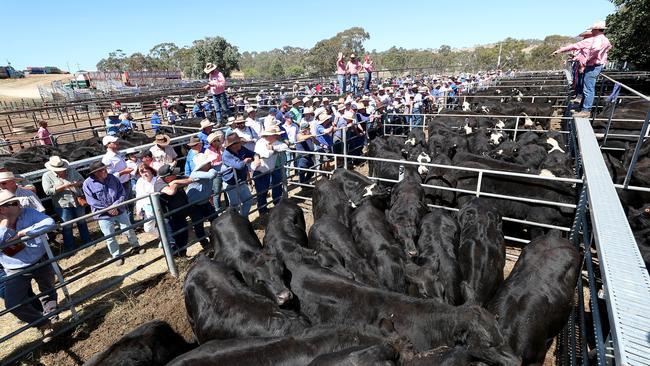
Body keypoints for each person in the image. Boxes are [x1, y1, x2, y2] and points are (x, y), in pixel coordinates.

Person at [0, 191, 58, 341]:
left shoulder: (28, 213)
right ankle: (43, 323)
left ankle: (52, 316)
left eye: (17, 202)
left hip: (39, 259)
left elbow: (49, 222)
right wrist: (4, 226)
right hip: (14, 268)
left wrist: (23, 233)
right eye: (13, 203)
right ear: (2, 209)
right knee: (13, 303)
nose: (19, 204)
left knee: (48, 289)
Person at [82, 161, 143, 265]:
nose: (105, 171)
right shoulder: (87, 184)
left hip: (119, 209)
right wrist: (108, 209)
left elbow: (121, 192)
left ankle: (136, 246)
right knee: (109, 236)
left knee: (128, 229)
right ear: (95, 173)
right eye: (102, 170)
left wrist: (115, 205)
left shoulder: (112, 178)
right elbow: (91, 201)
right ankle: (116, 255)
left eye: (105, 168)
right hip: (103, 215)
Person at [553, 20, 611, 117]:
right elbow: (607, 49)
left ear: (596, 30)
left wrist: (591, 58)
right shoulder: (606, 40)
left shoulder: (593, 40)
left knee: (588, 88)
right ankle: (583, 108)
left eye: (593, 29)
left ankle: (586, 110)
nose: (592, 31)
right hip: (598, 66)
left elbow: (575, 46)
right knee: (588, 87)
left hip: (592, 66)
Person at [41, 156, 90, 252]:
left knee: (82, 222)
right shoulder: (47, 176)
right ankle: (71, 247)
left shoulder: (71, 171)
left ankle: (87, 241)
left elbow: (82, 181)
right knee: (67, 226)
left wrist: (77, 184)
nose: (61, 170)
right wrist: (64, 186)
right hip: (62, 204)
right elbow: (47, 191)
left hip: (77, 200)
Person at [154, 164, 193, 257]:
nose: (176, 174)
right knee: (171, 240)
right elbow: (170, 192)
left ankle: (183, 255)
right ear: (167, 177)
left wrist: (175, 181)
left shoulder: (174, 178)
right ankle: (175, 261)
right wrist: (176, 183)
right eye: (174, 174)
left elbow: (190, 179)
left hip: (179, 213)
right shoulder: (159, 183)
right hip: (167, 217)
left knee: (183, 235)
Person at [251, 125, 288, 215]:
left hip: (267, 171)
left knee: (266, 190)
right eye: (275, 134)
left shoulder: (274, 142)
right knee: (262, 192)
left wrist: (273, 148)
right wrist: (274, 150)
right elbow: (265, 154)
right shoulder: (260, 142)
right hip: (260, 171)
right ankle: (262, 211)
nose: (277, 136)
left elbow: (285, 146)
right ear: (270, 135)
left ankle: (271, 207)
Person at [186, 153, 218, 248]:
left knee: (215, 219)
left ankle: (216, 237)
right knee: (198, 225)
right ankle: (204, 243)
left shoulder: (206, 172)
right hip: (194, 205)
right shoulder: (195, 174)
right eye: (208, 162)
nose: (210, 163)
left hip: (205, 201)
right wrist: (213, 168)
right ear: (202, 165)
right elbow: (212, 175)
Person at [222, 134, 254, 217]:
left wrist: (255, 158)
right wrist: (246, 160)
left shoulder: (241, 149)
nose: (241, 144)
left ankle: (242, 219)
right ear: (233, 145)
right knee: (234, 205)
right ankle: (235, 223)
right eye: (239, 142)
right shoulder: (226, 155)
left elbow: (253, 154)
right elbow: (238, 166)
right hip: (231, 183)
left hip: (241, 181)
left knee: (248, 200)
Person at [204, 131, 225, 211]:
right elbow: (208, 165)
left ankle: (228, 205)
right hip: (215, 173)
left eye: (218, 140)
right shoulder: (208, 152)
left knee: (226, 188)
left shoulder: (221, 148)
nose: (219, 141)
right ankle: (217, 209)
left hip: (223, 171)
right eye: (217, 140)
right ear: (212, 142)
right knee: (216, 191)